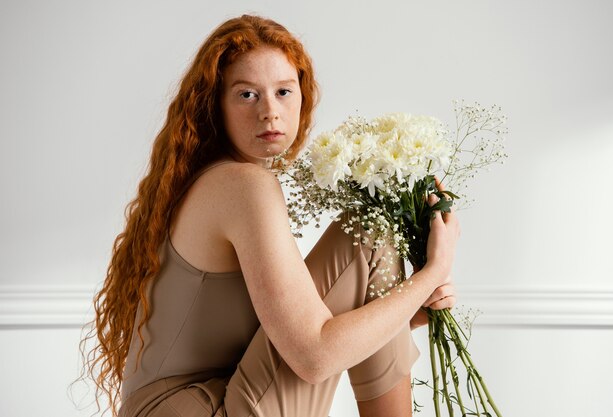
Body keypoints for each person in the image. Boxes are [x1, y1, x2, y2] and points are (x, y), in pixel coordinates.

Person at [80, 14, 459, 417]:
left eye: (283, 91)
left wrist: (401, 311)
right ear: (215, 105)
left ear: (302, 97)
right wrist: (432, 273)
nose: (270, 112)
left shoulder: (215, 180)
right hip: (201, 408)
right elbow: (313, 355)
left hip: (204, 400)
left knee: (373, 240)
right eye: (247, 95)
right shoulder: (242, 186)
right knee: (372, 233)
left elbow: (287, 336)